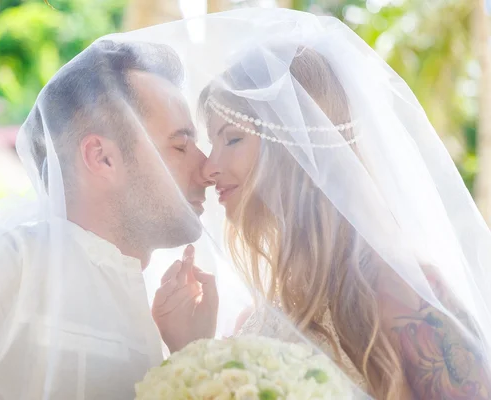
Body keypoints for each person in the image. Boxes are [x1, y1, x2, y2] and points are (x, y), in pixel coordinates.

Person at [0, 39, 217, 399]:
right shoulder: (17, 263)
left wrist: (188, 355)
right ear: (102, 157)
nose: (207, 167)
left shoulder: (155, 307)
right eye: (181, 145)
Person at [193, 10, 491, 400]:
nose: (210, 166)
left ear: (293, 150)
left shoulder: (408, 296)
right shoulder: (256, 321)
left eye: (231, 139)